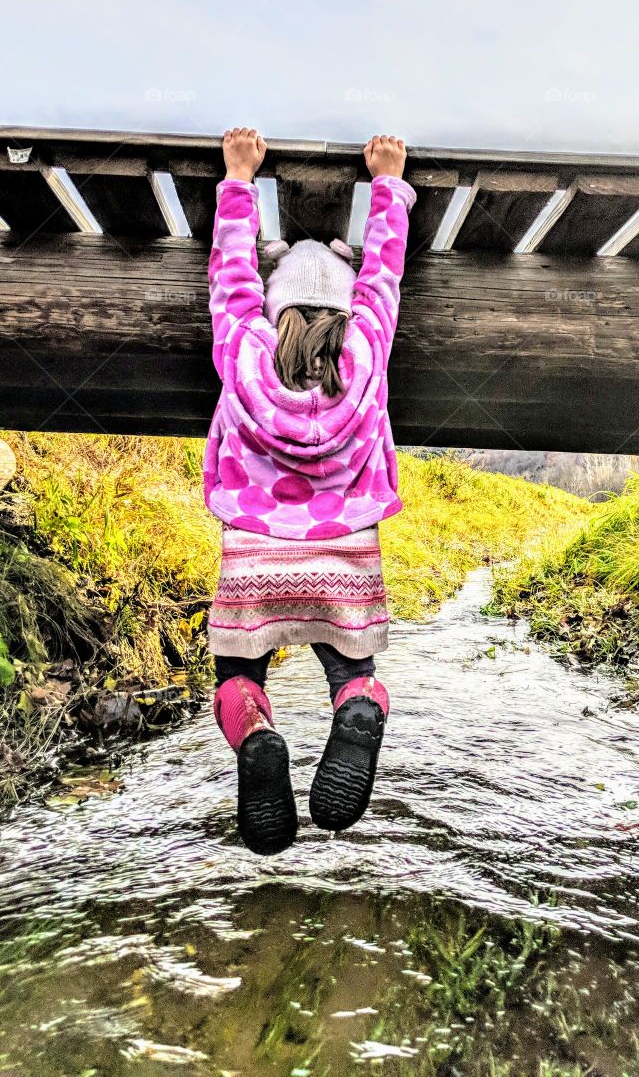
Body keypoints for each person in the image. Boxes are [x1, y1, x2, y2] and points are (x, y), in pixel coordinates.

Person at [203, 127, 415, 854]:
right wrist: (386, 184)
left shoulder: (244, 351)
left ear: (273, 308)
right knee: (352, 671)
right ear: (346, 315)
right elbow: (385, 272)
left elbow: (228, 276)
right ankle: (357, 709)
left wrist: (239, 179)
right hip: (343, 559)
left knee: (238, 675)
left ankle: (259, 736)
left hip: (254, 558)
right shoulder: (365, 357)